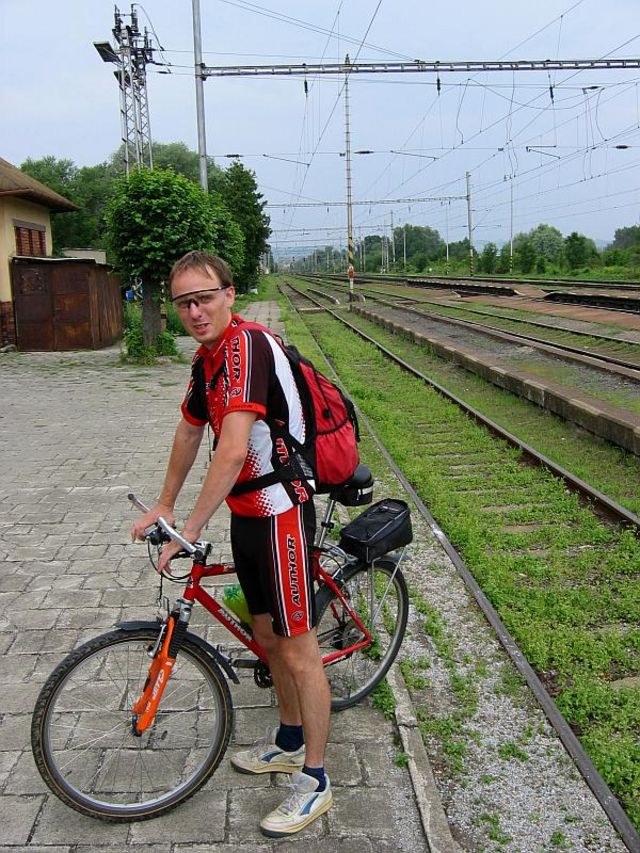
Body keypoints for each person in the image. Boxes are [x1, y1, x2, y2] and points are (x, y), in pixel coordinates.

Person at [131, 250, 332, 838]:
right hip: (247, 514)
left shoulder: (247, 347)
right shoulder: (207, 360)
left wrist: (191, 529)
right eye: (184, 303)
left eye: (204, 298)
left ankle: (316, 781)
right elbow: (190, 429)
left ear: (229, 294)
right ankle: (289, 741)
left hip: (281, 512)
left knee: (297, 648)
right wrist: (165, 504)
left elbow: (235, 448)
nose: (195, 311)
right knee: (267, 636)